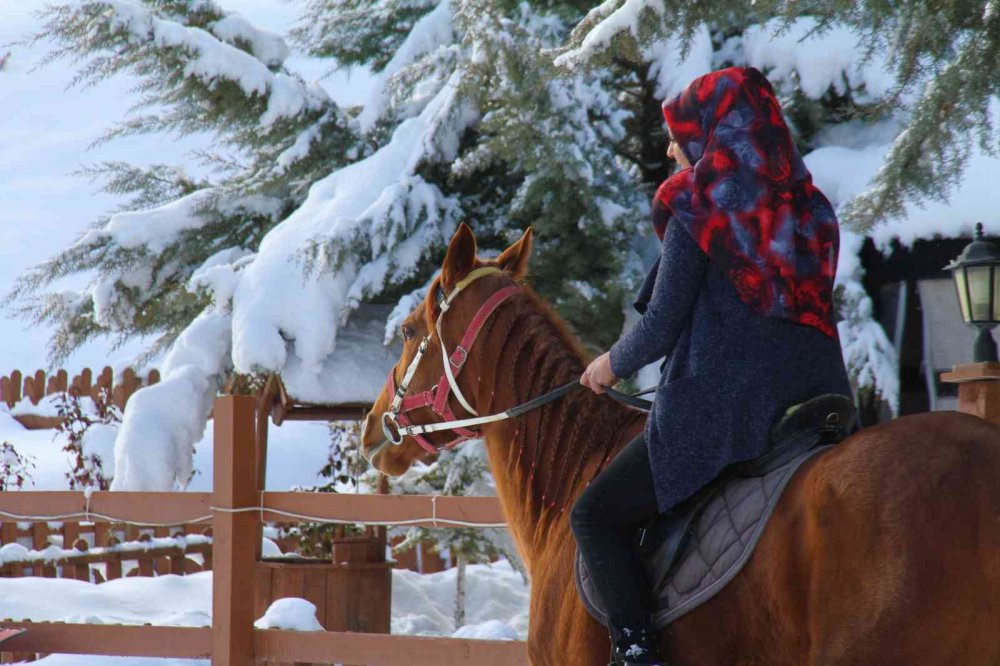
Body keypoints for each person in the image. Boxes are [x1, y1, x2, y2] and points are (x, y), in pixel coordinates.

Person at [571, 66, 852, 665]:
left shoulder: (699, 205)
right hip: (817, 401)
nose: (673, 147)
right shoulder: (812, 209)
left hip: (726, 410)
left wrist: (608, 366)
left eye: (681, 132)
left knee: (593, 516)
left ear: (716, 133)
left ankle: (636, 650)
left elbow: (663, 324)